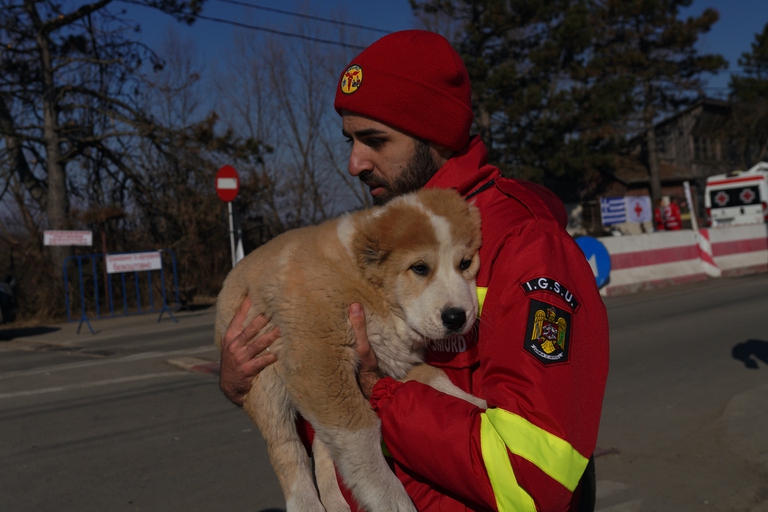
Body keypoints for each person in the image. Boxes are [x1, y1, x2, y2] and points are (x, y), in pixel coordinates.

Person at [219, 30, 609, 511]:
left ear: (435, 136)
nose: (354, 163)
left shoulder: (525, 244)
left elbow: (531, 476)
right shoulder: (383, 234)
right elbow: (327, 408)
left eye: (374, 140)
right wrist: (249, 380)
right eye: (350, 140)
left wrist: (380, 393)